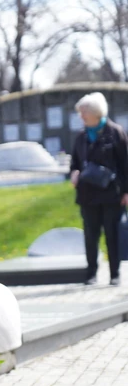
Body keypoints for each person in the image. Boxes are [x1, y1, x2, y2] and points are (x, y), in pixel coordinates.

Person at [70, 92, 128, 285]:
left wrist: (126, 191)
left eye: (84, 112)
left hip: (112, 194)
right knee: (90, 235)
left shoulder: (116, 133)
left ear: (96, 112)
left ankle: (114, 274)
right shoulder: (80, 137)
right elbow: (75, 163)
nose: (81, 116)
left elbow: (125, 164)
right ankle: (91, 274)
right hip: (88, 195)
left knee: (113, 235)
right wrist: (74, 173)